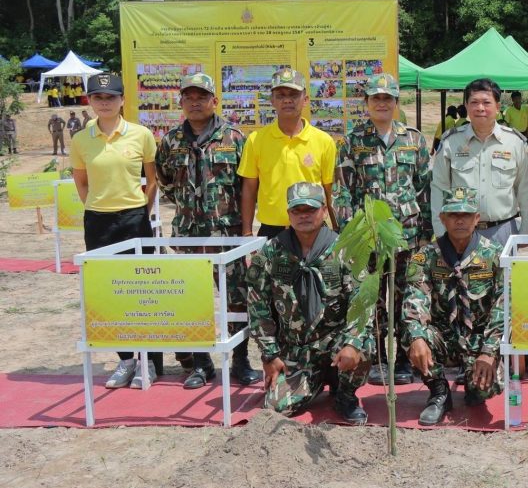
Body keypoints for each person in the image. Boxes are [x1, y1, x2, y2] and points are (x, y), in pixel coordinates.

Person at [155, 73, 261, 388]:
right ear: (182, 102)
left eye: (202, 96)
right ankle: (202, 364)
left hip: (227, 235)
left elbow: (247, 188)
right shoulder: (171, 140)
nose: (195, 102)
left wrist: (243, 229)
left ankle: (240, 360)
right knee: (193, 299)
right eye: (189, 97)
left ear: (214, 100)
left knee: (236, 299)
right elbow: (166, 183)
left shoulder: (235, 138)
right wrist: (191, 209)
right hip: (188, 236)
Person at [246, 182, 371, 424]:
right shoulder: (272, 252)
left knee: (363, 348)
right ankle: (314, 379)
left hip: (335, 343)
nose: (304, 216)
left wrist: (352, 344)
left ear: (324, 211)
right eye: (297, 210)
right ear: (289, 213)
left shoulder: (345, 249)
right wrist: (269, 355)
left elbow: (362, 304)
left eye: (310, 210)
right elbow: (257, 306)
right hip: (296, 349)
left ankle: (345, 394)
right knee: (276, 407)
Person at [337, 72, 432, 386]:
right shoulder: (353, 141)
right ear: (366, 103)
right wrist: (355, 234)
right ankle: (379, 358)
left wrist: (426, 233)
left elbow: (425, 188)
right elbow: (343, 192)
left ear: (395, 102)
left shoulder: (414, 139)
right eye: (375, 98)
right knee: (374, 299)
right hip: (370, 240)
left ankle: (405, 358)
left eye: (387, 98)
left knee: (407, 298)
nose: (381, 103)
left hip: (408, 237)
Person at [70, 73, 160, 388]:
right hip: (98, 221)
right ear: (90, 101)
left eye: (110, 98)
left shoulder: (141, 134)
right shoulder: (81, 139)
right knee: (109, 291)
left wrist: (140, 212)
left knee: (143, 289)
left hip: (134, 219)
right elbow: (81, 182)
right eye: (98, 98)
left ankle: (151, 361)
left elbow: (152, 178)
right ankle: (126, 359)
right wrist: (98, 206)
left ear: (122, 100)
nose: (104, 103)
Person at [402, 187, 506, 425]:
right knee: (413, 336)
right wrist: (418, 337)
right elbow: (413, 301)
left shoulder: (494, 255)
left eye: (466, 215)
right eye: (453, 214)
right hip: (443, 337)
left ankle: (473, 384)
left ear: (477, 219)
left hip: (479, 339)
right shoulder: (425, 256)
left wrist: (489, 352)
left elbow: (504, 306)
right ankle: (439, 392)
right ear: (442, 218)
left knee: (481, 392)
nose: (460, 220)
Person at [431, 78, 528, 249]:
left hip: (503, 231)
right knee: (459, 276)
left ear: (498, 106)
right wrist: (441, 233)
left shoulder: (515, 142)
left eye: (486, 102)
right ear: (466, 105)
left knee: (504, 277)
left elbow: (526, 189)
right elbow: (439, 189)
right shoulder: (451, 142)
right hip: (460, 233)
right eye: (474, 102)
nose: (480, 108)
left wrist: (525, 231)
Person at [238, 67, 338, 240]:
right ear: (272, 101)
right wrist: (247, 233)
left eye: (293, 95)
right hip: (272, 231)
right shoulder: (256, 140)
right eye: (281, 95)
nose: (287, 100)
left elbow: (330, 190)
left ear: (305, 99)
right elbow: (249, 189)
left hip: (313, 228)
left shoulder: (324, 141)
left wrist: (336, 230)